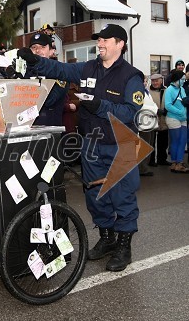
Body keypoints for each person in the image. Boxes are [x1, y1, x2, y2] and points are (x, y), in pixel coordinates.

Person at [18, 24, 144, 272]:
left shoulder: (132, 76)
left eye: (105, 40)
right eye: (99, 40)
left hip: (122, 145)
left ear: (120, 44)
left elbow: (130, 112)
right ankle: (107, 238)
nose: (100, 43)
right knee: (95, 196)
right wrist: (34, 61)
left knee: (122, 196)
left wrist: (99, 105)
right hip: (92, 144)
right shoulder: (88, 67)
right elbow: (59, 68)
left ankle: (124, 246)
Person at [27, 33, 68, 127]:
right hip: (28, 130)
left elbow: (49, 100)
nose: (37, 50)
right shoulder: (26, 72)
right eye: (34, 47)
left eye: (42, 47)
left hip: (50, 131)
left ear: (51, 51)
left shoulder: (60, 73)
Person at [164, 69, 188, 173]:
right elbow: (168, 105)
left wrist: (183, 113)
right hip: (173, 118)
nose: (183, 81)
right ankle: (175, 163)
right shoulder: (169, 90)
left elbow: (184, 101)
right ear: (176, 79)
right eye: (181, 79)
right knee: (176, 140)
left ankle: (178, 163)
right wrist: (180, 112)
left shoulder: (181, 89)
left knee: (182, 141)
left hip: (183, 119)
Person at [137, 75, 158, 177]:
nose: (145, 83)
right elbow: (142, 107)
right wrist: (154, 109)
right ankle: (142, 168)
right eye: (143, 81)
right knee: (144, 146)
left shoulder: (146, 92)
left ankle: (144, 167)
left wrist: (154, 109)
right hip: (144, 124)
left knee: (149, 145)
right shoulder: (137, 93)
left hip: (150, 122)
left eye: (146, 81)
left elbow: (154, 105)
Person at [148, 73, 169, 166]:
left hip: (164, 119)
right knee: (151, 142)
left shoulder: (167, 90)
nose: (155, 82)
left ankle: (162, 159)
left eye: (156, 80)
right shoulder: (147, 91)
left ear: (161, 81)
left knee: (163, 141)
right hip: (152, 119)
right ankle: (151, 161)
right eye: (153, 81)